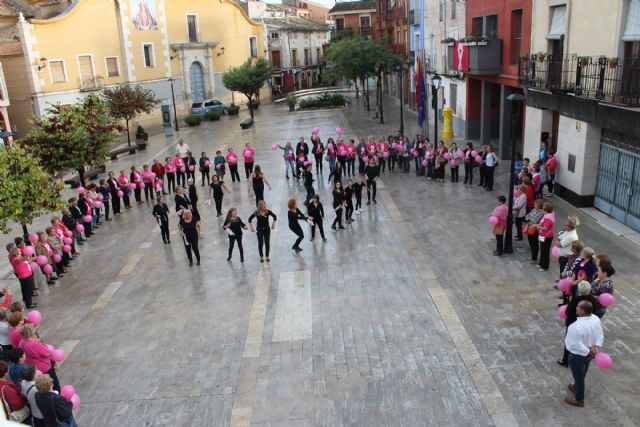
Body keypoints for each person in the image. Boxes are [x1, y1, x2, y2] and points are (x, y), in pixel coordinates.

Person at [564, 300, 603, 407]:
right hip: (590, 352)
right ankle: (576, 386)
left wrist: (587, 350)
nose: (576, 309)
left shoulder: (575, 326)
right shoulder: (595, 318)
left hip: (578, 355)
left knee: (579, 376)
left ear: (582, 311)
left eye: (577, 307)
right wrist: (595, 346)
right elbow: (600, 334)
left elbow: (574, 344)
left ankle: (579, 399)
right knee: (583, 370)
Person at [557, 281, 598, 368]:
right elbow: (595, 311)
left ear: (579, 290)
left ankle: (565, 360)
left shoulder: (576, 300)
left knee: (570, 341)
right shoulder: (592, 299)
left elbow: (568, 312)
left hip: (574, 324)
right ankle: (587, 355)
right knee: (586, 340)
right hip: (588, 324)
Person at [20, 324, 59, 392]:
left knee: (43, 387)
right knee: (55, 386)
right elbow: (48, 353)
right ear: (32, 333)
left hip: (34, 369)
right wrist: (40, 342)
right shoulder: (35, 345)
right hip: (45, 368)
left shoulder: (22, 342)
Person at [534, 202, 555, 271]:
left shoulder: (548, 218)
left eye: (543, 207)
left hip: (547, 236)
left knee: (545, 251)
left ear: (545, 209)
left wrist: (537, 226)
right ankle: (541, 263)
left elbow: (545, 228)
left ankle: (544, 266)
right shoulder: (547, 215)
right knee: (542, 250)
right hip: (543, 235)